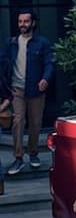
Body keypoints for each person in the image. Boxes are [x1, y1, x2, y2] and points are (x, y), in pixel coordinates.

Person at [2, 9, 54, 175]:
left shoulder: (42, 43)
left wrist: (45, 78)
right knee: (18, 121)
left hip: (35, 90)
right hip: (16, 89)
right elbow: (2, 65)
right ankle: (18, 158)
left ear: (33, 23)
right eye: (20, 21)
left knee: (35, 123)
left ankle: (33, 154)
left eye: (25, 21)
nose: (22, 25)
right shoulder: (11, 43)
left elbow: (49, 64)